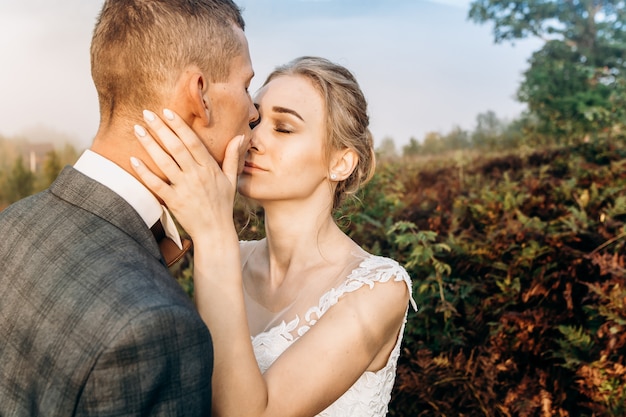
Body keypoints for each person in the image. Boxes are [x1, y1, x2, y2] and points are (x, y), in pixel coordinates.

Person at [0, 0, 258, 415]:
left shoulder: (12, 224)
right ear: (200, 95)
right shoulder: (155, 328)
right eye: (246, 86)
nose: (253, 111)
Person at [131, 56, 418, 417]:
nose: (254, 139)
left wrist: (213, 232)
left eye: (283, 128)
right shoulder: (227, 259)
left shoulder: (379, 289)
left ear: (341, 162)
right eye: (254, 120)